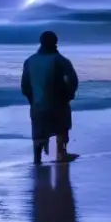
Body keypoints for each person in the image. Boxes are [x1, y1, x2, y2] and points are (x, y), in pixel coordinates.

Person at [21, 30, 79, 164]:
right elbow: (73, 80)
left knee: (38, 130)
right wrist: (69, 95)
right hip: (58, 103)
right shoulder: (60, 60)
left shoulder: (30, 61)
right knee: (62, 128)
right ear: (55, 43)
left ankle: (37, 158)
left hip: (37, 103)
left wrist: (31, 99)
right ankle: (61, 153)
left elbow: (25, 86)